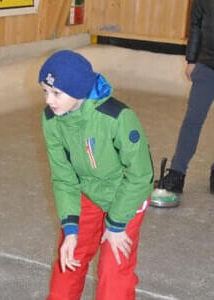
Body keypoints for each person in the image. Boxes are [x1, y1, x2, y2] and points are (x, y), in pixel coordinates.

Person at [39, 50, 153, 300]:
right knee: (68, 258)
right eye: (45, 91)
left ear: (78, 90)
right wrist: (70, 230)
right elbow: (63, 178)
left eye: (56, 93)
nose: (49, 100)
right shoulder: (52, 120)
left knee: (113, 272)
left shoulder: (117, 117)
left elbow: (140, 175)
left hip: (125, 194)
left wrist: (116, 224)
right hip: (87, 192)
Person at [162, 0, 214, 194]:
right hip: (207, 66)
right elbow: (196, 25)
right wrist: (191, 59)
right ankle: (177, 174)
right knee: (192, 121)